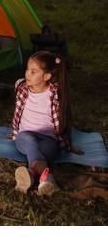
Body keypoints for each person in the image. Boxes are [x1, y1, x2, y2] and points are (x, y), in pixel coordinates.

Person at [8, 51, 84, 196]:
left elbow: (63, 120)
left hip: (49, 138)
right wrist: (15, 131)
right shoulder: (21, 87)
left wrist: (69, 145)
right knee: (30, 143)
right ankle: (48, 178)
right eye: (27, 69)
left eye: (33, 71)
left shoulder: (55, 94)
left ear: (47, 76)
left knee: (42, 152)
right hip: (25, 135)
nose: (27, 74)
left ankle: (30, 176)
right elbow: (18, 113)